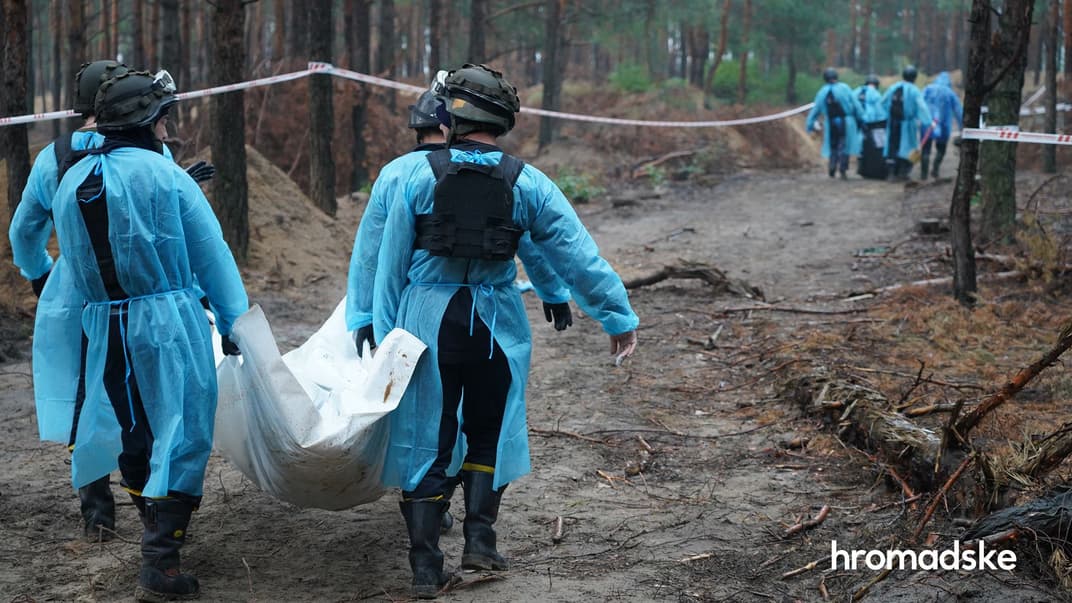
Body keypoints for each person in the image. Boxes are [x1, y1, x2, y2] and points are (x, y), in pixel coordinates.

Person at [371, 63, 638, 598]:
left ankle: (425, 567)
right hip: (495, 322)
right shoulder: (529, 182)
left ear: (452, 115)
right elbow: (576, 254)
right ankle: (481, 542)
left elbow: (385, 264)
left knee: (430, 435)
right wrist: (617, 315)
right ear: (504, 120)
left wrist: (383, 336)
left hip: (426, 323)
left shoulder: (406, 175)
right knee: (489, 428)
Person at [49, 69, 247, 602]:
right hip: (167, 324)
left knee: (132, 431)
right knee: (182, 428)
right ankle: (160, 561)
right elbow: (213, 255)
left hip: (103, 323)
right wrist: (234, 323)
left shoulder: (72, 180)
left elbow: (71, 265)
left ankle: (156, 531)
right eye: (165, 115)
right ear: (153, 121)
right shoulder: (166, 176)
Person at [8, 60, 215, 544]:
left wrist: (41, 276)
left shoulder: (52, 156)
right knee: (139, 395)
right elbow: (166, 230)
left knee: (87, 393)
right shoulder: (152, 148)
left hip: (73, 291)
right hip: (141, 296)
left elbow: (23, 233)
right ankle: (151, 508)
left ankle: (97, 509)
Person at [805, 68, 864, 180]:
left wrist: (810, 124)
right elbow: (855, 104)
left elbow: (815, 110)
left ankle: (832, 165)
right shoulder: (844, 88)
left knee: (833, 145)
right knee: (844, 144)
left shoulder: (822, 91)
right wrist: (862, 118)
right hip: (846, 121)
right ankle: (842, 169)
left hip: (830, 122)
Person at [881, 65, 933, 181]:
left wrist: (886, 116)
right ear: (914, 77)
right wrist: (928, 121)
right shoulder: (914, 90)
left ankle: (891, 173)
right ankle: (902, 173)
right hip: (907, 124)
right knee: (908, 148)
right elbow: (921, 106)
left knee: (892, 146)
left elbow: (883, 102)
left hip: (893, 123)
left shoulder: (893, 87)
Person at [921, 71, 963, 179]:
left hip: (927, 124)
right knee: (941, 149)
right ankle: (935, 169)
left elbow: (919, 103)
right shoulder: (949, 92)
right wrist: (962, 127)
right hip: (944, 125)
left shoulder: (927, 89)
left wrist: (917, 119)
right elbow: (958, 111)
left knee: (925, 149)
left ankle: (923, 175)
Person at [853, 74, 888, 180]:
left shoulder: (856, 91)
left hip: (857, 123)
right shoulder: (876, 94)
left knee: (860, 146)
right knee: (876, 146)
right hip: (872, 125)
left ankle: (861, 168)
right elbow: (880, 110)